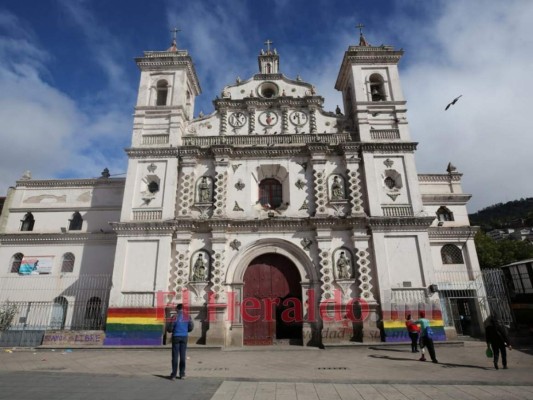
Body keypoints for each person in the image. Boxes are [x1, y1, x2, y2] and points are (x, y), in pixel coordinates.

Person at [169, 304, 193, 380]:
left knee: (175, 356)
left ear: (177, 309)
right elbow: (191, 326)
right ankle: (182, 374)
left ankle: (174, 375)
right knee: (183, 356)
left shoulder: (174, 317)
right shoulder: (187, 316)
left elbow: (170, 328)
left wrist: (171, 330)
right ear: (183, 309)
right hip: (184, 337)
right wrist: (186, 330)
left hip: (176, 336)